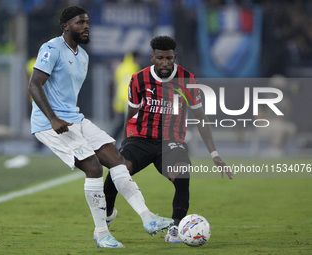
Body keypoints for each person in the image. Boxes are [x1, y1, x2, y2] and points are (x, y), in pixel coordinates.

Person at [28, 6, 173, 249]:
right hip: (49, 123)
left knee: (117, 158)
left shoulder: (83, 56)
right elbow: (34, 85)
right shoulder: (51, 49)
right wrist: (53, 119)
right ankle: (102, 232)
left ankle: (148, 218)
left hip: (75, 118)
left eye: (87, 22)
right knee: (93, 167)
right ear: (65, 26)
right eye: (79, 22)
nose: (86, 26)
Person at [103, 35, 233, 244]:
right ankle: (108, 214)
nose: (165, 63)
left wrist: (214, 154)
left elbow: (201, 118)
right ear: (152, 57)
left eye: (169, 58)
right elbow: (131, 114)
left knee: (182, 174)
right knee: (116, 172)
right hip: (141, 138)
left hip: (171, 142)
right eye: (161, 58)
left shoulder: (187, 80)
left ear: (175, 57)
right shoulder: (138, 79)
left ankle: (176, 229)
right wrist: (126, 143)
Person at [111, 51, 142, 143]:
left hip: (119, 99)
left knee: (121, 123)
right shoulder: (134, 67)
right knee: (130, 123)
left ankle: (113, 141)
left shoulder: (120, 67)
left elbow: (116, 83)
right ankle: (128, 143)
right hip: (129, 99)